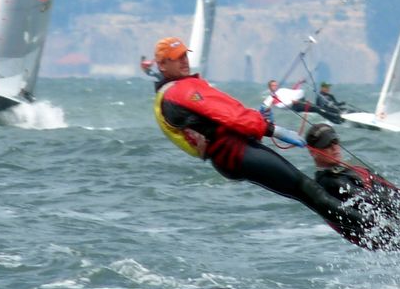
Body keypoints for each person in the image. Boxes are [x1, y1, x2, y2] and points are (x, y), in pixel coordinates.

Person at [150, 37, 382, 247]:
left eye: (184, 55)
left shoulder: (170, 93)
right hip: (236, 153)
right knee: (308, 190)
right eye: (176, 58)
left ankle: (376, 238)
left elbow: (215, 120)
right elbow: (230, 117)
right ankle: (384, 232)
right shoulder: (179, 91)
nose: (184, 61)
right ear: (162, 65)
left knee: (307, 194)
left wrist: (256, 119)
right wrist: (272, 130)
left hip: (232, 156)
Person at [303, 122, 400, 248]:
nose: (335, 148)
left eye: (335, 142)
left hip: (397, 223)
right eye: (327, 145)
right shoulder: (329, 182)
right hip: (383, 235)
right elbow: (370, 201)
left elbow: (389, 191)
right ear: (313, 152)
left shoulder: (350, 170)